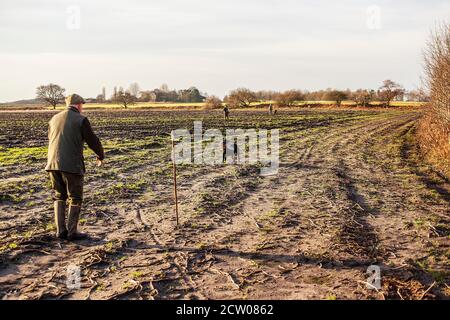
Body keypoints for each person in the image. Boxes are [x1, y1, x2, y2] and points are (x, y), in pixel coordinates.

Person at [45, 94, 104, 241]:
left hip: (52, 164)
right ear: (78, 105)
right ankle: (72, 232)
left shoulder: (54, 119)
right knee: (75, 197)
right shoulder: (81, 120)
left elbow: (51, 138)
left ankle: (60, 231)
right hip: (71, 165)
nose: (82, 107)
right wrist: (100, 155)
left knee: (59, 196)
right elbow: (92, 140)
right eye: (82, 105)